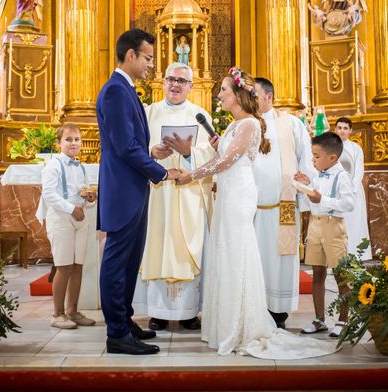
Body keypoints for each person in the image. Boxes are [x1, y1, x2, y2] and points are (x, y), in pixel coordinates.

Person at [177, 68, 337, 359]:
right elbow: (222, 157)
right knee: (225, 254)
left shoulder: (249, 124)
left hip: (238, 197)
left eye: (224, 90)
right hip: (228, 195)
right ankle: (225, 322)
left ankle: (242, 325)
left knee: (237, 255)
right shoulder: (233, 126)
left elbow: (226, 161)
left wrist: (191, 176)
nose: (219, 95)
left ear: (238, 94)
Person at [96, 28, 181, 355]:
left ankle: (124, 320)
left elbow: (130, 145)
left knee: (130, 262)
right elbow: (125, 147)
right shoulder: (116, 91)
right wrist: (161, 171)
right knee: (117, 262)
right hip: (124, 191)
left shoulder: (126, 89)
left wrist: (151, 155)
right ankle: (116, 333)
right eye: (147, 58)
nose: (150, 65)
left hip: (132, 187)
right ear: (130, 56)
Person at [134, 62, 217, 331]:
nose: (175, 84)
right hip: (158, 195)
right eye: (171, 79)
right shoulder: (149, 112)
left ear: (191, 87)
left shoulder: (199, 114)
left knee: (187, 249)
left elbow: (213, 154)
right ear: (163, 82)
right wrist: (151, 152)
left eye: (182, 81)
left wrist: (189, 152)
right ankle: (158, 312)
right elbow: (133, 147)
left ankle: (188, 312)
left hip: (188, 193)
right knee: (157, 246)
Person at [252, 78, 316, 329]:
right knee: (254, 257)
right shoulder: (245, 122)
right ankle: (255, 305)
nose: (251, 98)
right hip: (252, 206)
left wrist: (304, 185)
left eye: (254, 93)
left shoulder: (291, 123)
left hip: (284, 203)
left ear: (269, 96)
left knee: (280, 257)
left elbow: (305, 157)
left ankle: (277, 311)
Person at [35, 123, 96, 329]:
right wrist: (72, 209)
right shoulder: (53, 165)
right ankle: (57, 314)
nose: (73, 143)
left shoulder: (81, 167)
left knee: (78, 266)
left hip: (80, 217)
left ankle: (73, 311)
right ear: (58, 143)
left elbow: (82, 192)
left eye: (77, 139)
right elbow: (49, 194)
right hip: (61, 217)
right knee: (64, 267)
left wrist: (90, 198)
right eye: (68, 139)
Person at [294, 132, 354, 338]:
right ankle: (319, 319)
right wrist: (307, 187)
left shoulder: (342, 176)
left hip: (333, 227)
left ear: (332, 158)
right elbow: (316, 200)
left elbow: (348, 204)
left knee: (341, 276)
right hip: (315, 225)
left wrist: (322, 199)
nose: (313, 160)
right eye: (312, 155)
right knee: (317, 274)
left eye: (316, 156)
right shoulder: (319, 174)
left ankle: (343, 320)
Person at [335, 117, 372, 261]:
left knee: (354, 223)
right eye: (339, 127)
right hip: (335, 193)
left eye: (345, 128)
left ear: (350, 131)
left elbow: (358, 170)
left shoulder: (356, 148)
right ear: (335, 129)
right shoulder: (330, 147)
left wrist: (351, 189)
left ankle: (357, 255)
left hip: (353, 192)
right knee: (338, 224)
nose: (342, 131)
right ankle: (338, 256)